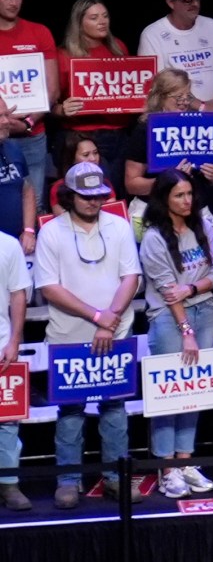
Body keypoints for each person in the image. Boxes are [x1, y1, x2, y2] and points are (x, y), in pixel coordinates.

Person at [33, 161, 139, 507]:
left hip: (116, 332)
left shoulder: (119, 226)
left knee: (114, 411)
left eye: (98, 196)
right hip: (68, 336)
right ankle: (68, 480)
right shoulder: (52, 232)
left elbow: (130, 277)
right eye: (85, 197)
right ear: (69, 196)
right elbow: (49, 287)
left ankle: (114, 477)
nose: (94, 202)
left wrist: (110, 320)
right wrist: (98, 317)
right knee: (70, 413)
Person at [137, 167, 213, 499]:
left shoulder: (202, 223)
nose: (187, 201)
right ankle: (167, 468)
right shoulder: (154, 237)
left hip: (206, 310)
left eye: (189, 194)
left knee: (194, 392)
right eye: (179, 195)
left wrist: (194, 286)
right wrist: (186, 330)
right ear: (164, 198)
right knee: (169, 393)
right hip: (169, 319)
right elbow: (168, 293)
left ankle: (186, 462)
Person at [0, 0, 58, 249]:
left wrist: (28, 123)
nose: (14, 2)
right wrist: (4, 122)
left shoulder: (39, 32)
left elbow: (52, 89)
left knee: (34, 204)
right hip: (0, 132)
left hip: (33, 137)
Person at [120, 67, 213, 202]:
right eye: (178, 97)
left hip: (194, 206)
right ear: (161, 97)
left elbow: (206, 175)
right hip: (156, 208)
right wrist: (168, 181)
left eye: (187, 97)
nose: (184, 102)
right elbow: (131, 185)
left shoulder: (198, 125)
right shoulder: (145, 129)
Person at [54, 0, 132, 177]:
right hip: (82, 137)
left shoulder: (118, 48)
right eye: (94, 17)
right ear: (79, 23)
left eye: (105, 16)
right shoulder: (64, 55)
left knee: (117, 193)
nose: (102, 21)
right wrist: (62, 109)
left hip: (119, 135)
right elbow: (50, 105)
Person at [0, 219, 28, 511]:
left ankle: (8, 483)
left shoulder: (8, 245)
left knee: (7, 421)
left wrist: (15, 341)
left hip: (1, 343)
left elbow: (18, 294)